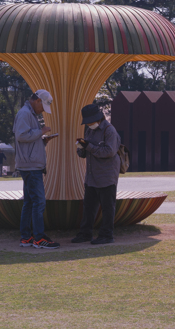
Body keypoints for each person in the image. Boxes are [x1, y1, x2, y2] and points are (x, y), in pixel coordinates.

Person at [14, 89, 61, 249]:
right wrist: (40, 132)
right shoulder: (25, 114)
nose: (42, 111)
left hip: (29, 164)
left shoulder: (29, 113)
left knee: (29, 202)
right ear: (38, 101)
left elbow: (27, 137)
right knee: (39, 202)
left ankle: (26, 237)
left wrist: (41, 140)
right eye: (43, 107)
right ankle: (39, 238)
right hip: (31, 165)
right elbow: (21, 135)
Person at [71, 104, 121, 245]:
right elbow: (87, 152)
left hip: (106, 175)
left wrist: (89, 146)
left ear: (98, 118)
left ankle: (107, 235)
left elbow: (109, 152)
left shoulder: (109, 131)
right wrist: (81, 148)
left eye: (90, 121)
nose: (88, 124)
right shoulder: (90, 131)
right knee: (88, 206)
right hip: (92, 176)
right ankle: (85, 233)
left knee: (107, 207)